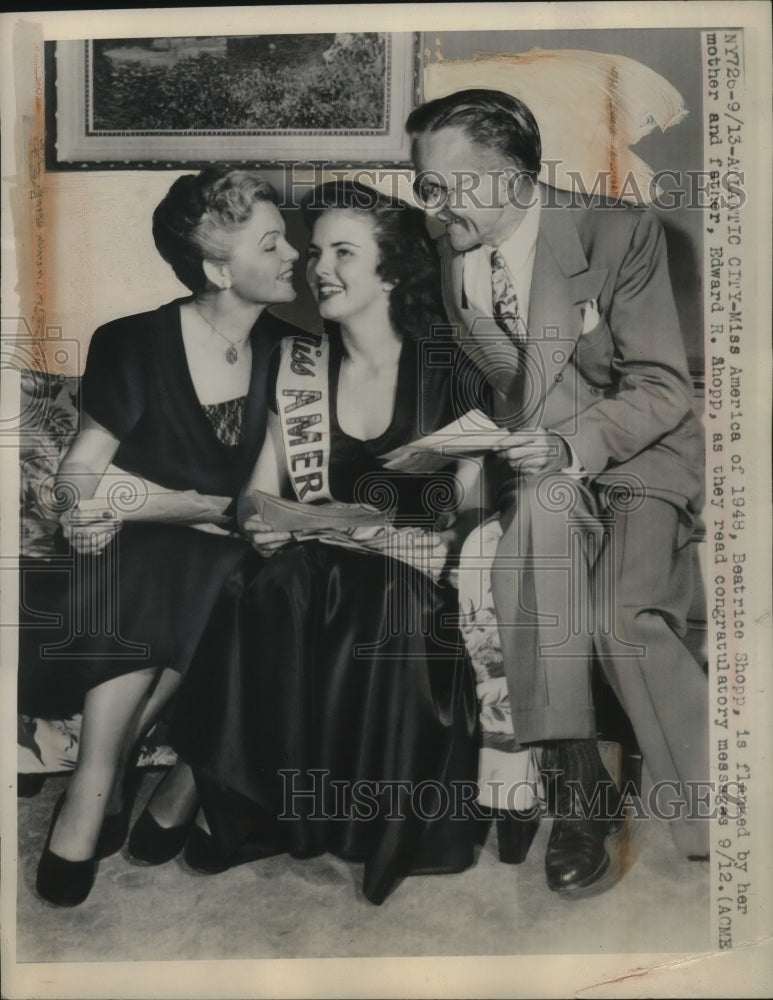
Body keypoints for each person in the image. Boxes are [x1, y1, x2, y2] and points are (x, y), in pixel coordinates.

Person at [406, 89, 708, 897]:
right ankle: (579, 790)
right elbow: (514, 381)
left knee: (618, 617)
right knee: (533, 523)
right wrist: (487, 451)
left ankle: (714, 814)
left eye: (444, 187)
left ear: (507, 180)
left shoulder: (620, 233)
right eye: (421, 187)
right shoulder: (454, 256)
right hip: (546, 468)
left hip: (638, 459)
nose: (430, 208)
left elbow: (659, 388)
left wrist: (572, 442)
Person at [170, 181, 482, 905]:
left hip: (417, 576)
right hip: (328, 562)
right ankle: (259, 812)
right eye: (315, 252)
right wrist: (342, 526)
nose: (318, 268)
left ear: (394, 269)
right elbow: (260, 501)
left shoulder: (449, 369)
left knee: (390, 603)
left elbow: (468, 512)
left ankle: (376, 829)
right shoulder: (296, 364)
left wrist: (351, 528)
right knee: (265, 584)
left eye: (344, 251)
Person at [22, 167, 300, 905]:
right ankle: (101, 783)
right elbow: (80, 475)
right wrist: (155, 505)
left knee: (229, 569)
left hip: (242, 548)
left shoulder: (296, 353)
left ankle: (110, 781)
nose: (293, 256)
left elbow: (278, 496)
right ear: (217, 268)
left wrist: (174, 506)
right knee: (164, 560)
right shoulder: (132, 341)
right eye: (271, 244)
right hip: (140, 554)